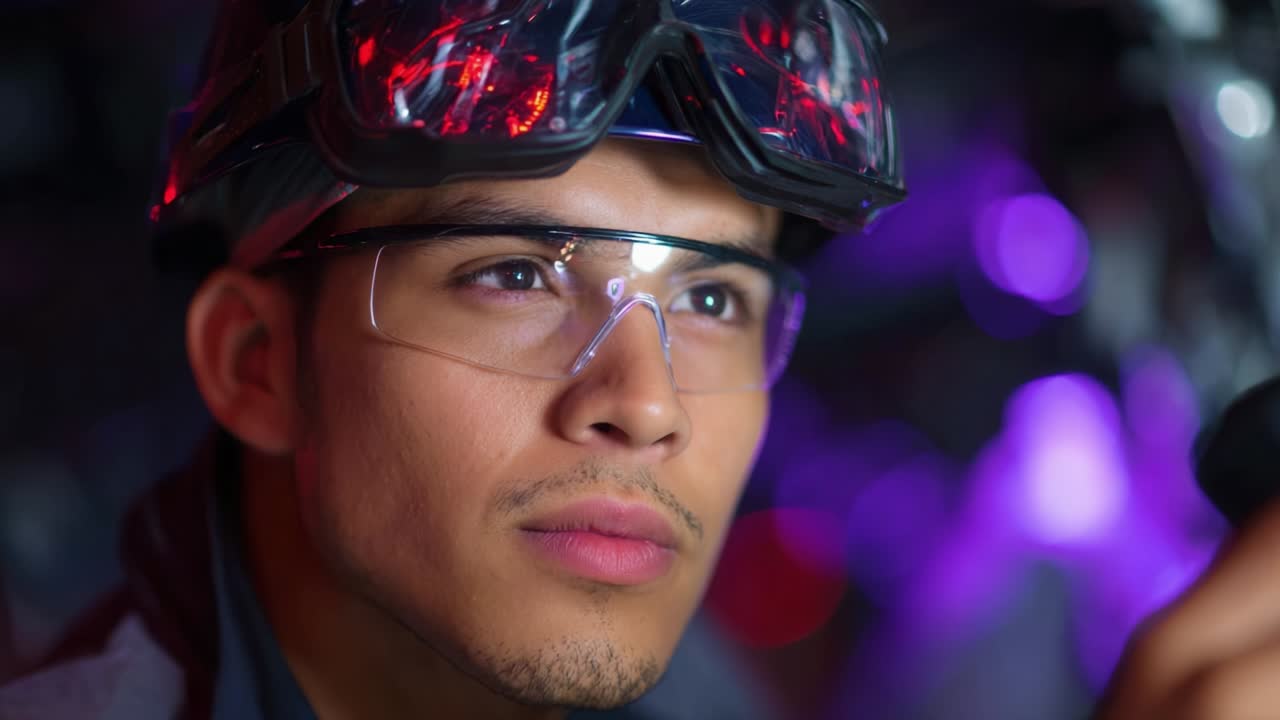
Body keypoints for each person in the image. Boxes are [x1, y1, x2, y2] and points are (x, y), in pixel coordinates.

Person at [0, 1, 906, 718]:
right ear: (258, 362)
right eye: (513, 275)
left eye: (713, 299)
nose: (648, 404)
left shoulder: (709, 693)